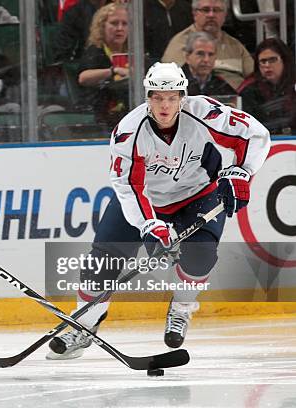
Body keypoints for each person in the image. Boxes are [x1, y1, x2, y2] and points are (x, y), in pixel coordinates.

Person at [46, 62, 270, 360]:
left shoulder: (205, 113)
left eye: (172, 97)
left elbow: (256, 135)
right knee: (101, 262)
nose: (165, 105)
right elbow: (128, 186)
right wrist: (149, 224)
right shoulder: (128, 131)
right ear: (147, 97)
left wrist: (241, 172)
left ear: (183, 97)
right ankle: (84, 325)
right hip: (146, 201)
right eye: (157, 97)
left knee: (200, 256)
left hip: (198, 196)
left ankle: (181, 307)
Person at [161, 0, 254, 90]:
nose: (211, 15)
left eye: (217, 10)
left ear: (225, 15)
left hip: (237, 101)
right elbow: (170, 83)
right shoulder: (180, 43)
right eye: (205, 10)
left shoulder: (235, 45)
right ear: (194, 13)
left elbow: (254, 76)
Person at [76, 3, 131, 125]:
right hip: (99, 115)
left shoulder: (134, 52)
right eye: (114, 23)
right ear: (101, 27)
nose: (120, 28)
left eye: (124, 24)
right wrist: (112, 71)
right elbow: (83, 77)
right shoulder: (95, 51)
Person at [238, 38, 296, 135]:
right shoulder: (249, 91)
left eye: (273, 60)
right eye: (263, 61)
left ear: (284, 60)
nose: (267, 65)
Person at [182, 31, 235, 97]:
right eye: (200, 54)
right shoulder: (175, 83)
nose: (206, 59)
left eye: (211, 54)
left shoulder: (222, 86)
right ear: (187, 57)